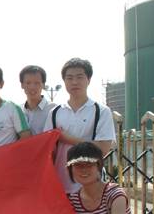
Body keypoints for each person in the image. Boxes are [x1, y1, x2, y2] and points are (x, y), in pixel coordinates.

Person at [43, 58, 116, 194]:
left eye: (79, 77)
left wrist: (66, 138)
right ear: (64, 81)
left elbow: (103, 148)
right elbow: (48, 149)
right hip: (61, 184)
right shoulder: (55, 113)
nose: (74, 82)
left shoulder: (101, 111)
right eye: (69, 78)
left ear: (89, 80)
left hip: (91, 185)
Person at [19, 65, 56, 135]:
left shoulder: (54, 109)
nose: (32, 87)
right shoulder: (18, 111)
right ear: (22, 85)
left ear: (43, 85)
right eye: (28, 83)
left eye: (37, 83)